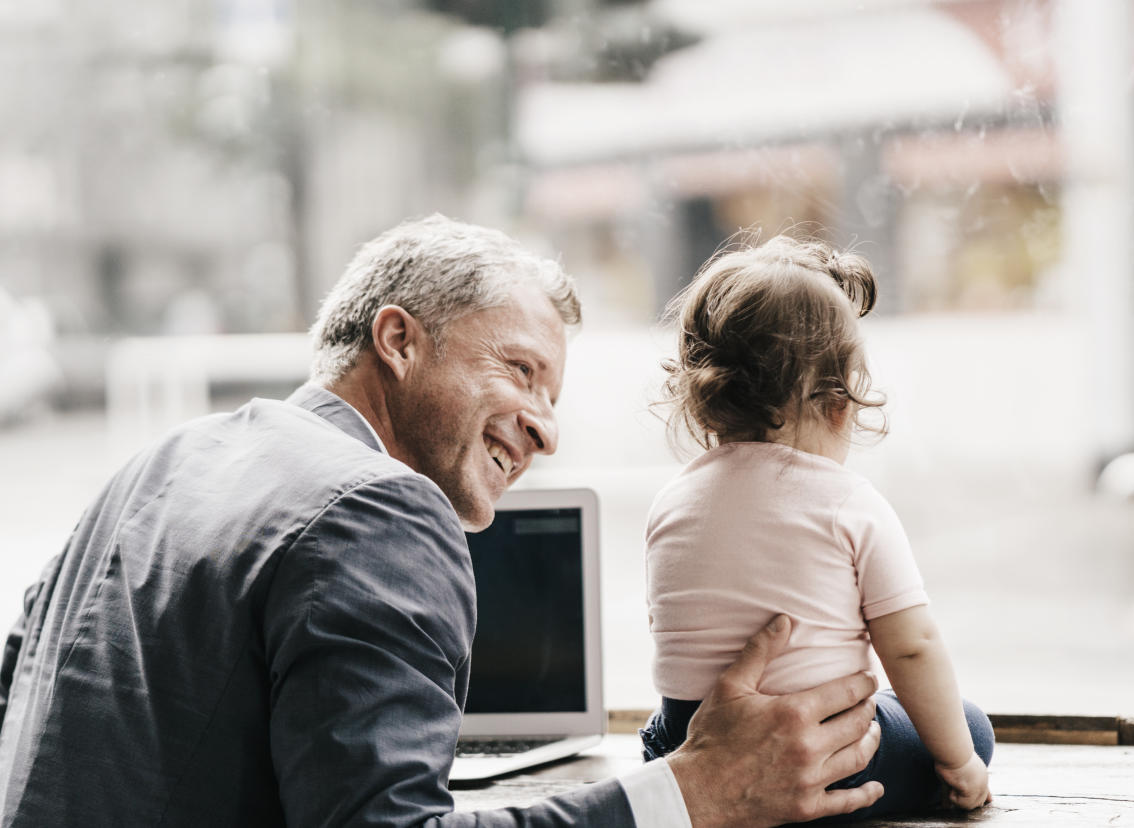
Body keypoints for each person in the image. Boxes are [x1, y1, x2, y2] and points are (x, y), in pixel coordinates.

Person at [0, 215, 885, 827]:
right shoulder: (379, 506)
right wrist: (693, 793)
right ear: (398, 340)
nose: (545, 424)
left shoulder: (164, 461)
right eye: (521, 369)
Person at [640, 234, 995, 821]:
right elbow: (911, 646)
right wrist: (960, 763)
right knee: (971, 724)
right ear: (840, 402)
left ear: (703, 400)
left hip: (683, 745)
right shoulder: (849, 502)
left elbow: (672, 629)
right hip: (829, 757)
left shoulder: (671, 501)